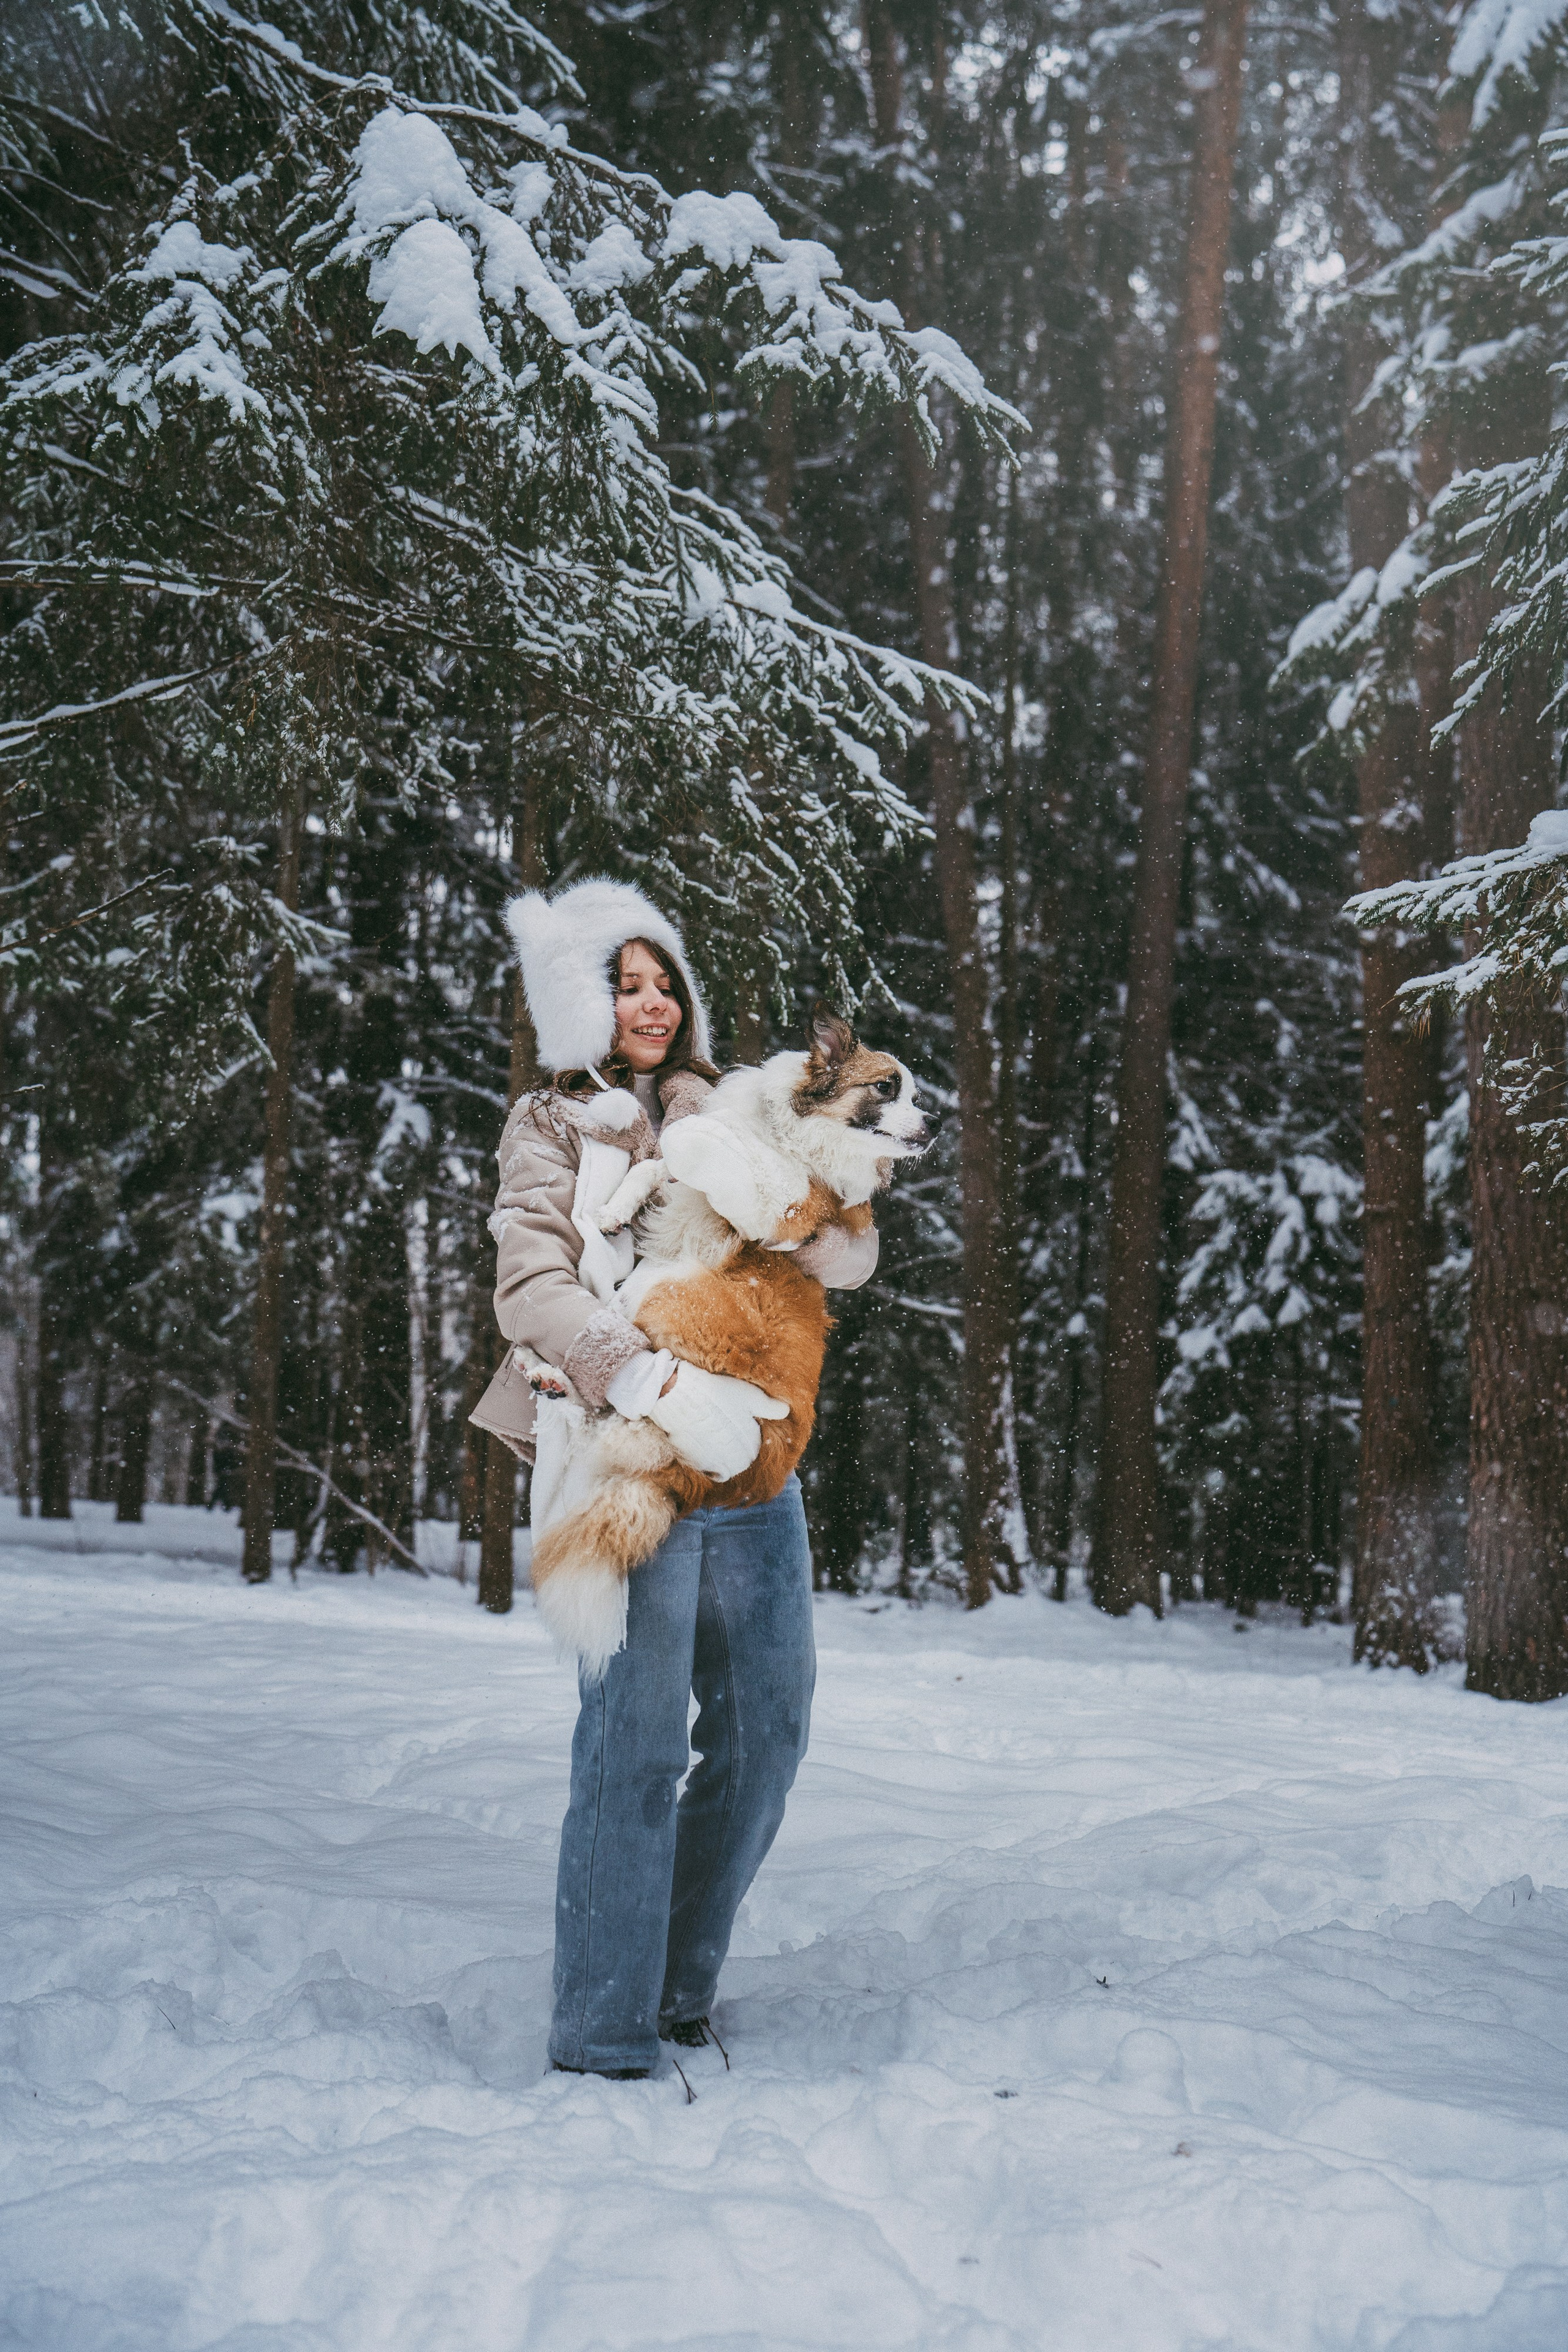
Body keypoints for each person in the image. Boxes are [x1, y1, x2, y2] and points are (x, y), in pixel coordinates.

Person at [470, 877, 878, 2079]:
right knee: (635, 1746)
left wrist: (825, 1232)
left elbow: (840, 1219)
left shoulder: (742, 1104)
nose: (647, 1004)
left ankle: (676, 1984)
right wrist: (646, 1384)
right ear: (576, 1005)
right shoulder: (548, 1128)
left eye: (661, 984)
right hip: (626, 1452)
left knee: (767, 1731)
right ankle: (603, 2027)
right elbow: (529, 1289)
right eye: (620, 984)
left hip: (752, 1462)